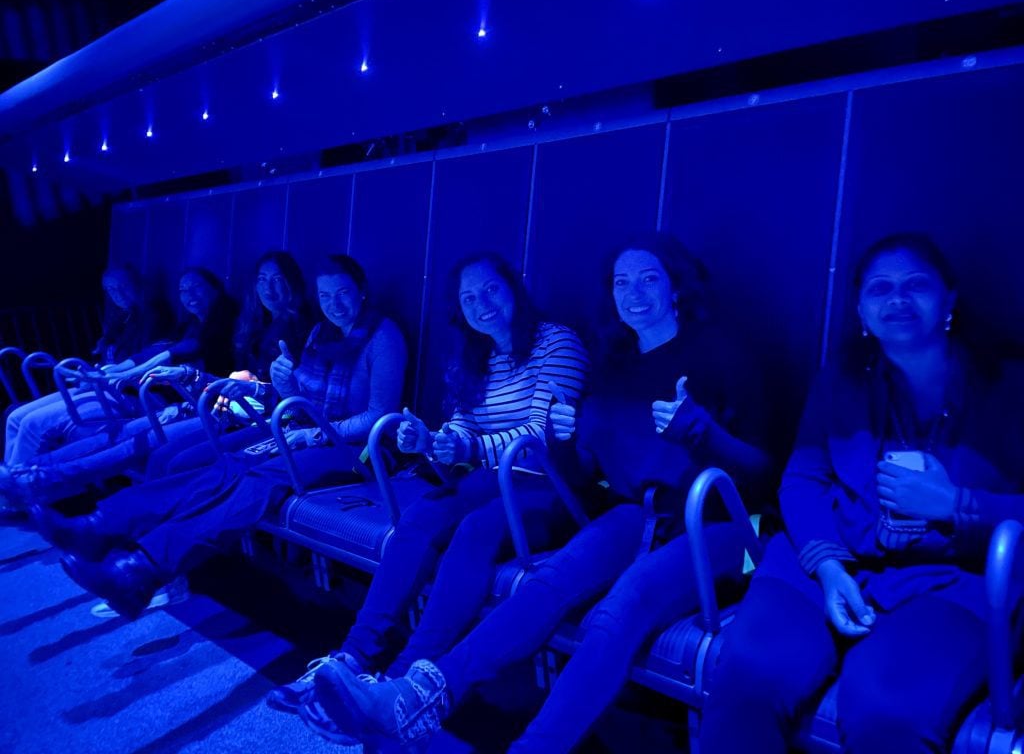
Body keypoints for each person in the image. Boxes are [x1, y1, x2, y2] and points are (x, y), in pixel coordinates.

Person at [300, 234, 774, 753]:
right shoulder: (616, 363)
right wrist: (569, 441)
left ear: (677, 286)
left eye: (648, 278)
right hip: (633, 514)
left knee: (617, 611)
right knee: (547, 584)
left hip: (719, 523)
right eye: (621, 281)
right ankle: (414, 696)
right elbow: (587, 471)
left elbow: (762, 472)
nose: (632, 292)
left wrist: (699, 429)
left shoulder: (723, 353)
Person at [698, 233, 1024, 754]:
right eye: (880, 289)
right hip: (827, 560)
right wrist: (828, 567)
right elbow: (802, 479)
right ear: (860, 308)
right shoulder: (842, 379)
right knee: (748, 678)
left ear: (950, 299)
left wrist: (957, 504)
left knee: (887, 711)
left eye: (916, 285)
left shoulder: (1010, 389)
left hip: (950, 580)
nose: (897, 299)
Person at [267, 253, 589, 717]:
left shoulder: (556, 343)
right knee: (419, 517)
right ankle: (350, 658)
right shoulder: (473, 357)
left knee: (475, 530)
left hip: (546, 485)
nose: (483, 304)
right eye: (469, 297)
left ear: (514, 288)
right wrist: (434, 441)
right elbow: (461, 426)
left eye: (491, 290)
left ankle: (401, 678)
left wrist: (466, 450)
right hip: (487, 478)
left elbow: (539, 438)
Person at [52, 255, 407, 619]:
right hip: (306, 433)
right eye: (326, 296)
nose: (335, 305)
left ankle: (141, 570)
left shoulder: (384, 337)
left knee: (258, 479)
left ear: (362, 291)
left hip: (360, 451)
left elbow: (377, 416)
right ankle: (101, 528)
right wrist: (283, 384)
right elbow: (301, 401)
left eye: (344, 293)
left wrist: (312, 432)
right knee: (226, 467)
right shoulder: (320, 333)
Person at [8, 252, 312, 504]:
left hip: (241, 414)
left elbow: (286, 392)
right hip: (206, 401)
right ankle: (31, 473)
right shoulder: (249, 323)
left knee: (143, 446)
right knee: (126, 436)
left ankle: (40, 482)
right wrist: (178, 374)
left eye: (277, 280)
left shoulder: (283, 325)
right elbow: (172, 352)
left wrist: (131, 372)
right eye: (262, 280)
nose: (269, 288)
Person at [2, 268, 237, 470]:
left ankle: (20, 488)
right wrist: (106, 372)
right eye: (183, 290)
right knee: (15, 416)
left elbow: (172, 353)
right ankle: (15, 486)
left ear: (216, 288)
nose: (189, 295)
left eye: (196, 287)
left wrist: (116, 374)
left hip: (153, 397)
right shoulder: (186, 323)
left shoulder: (167, 317)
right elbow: (149, 354)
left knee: (35, 424)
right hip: (125, 387)